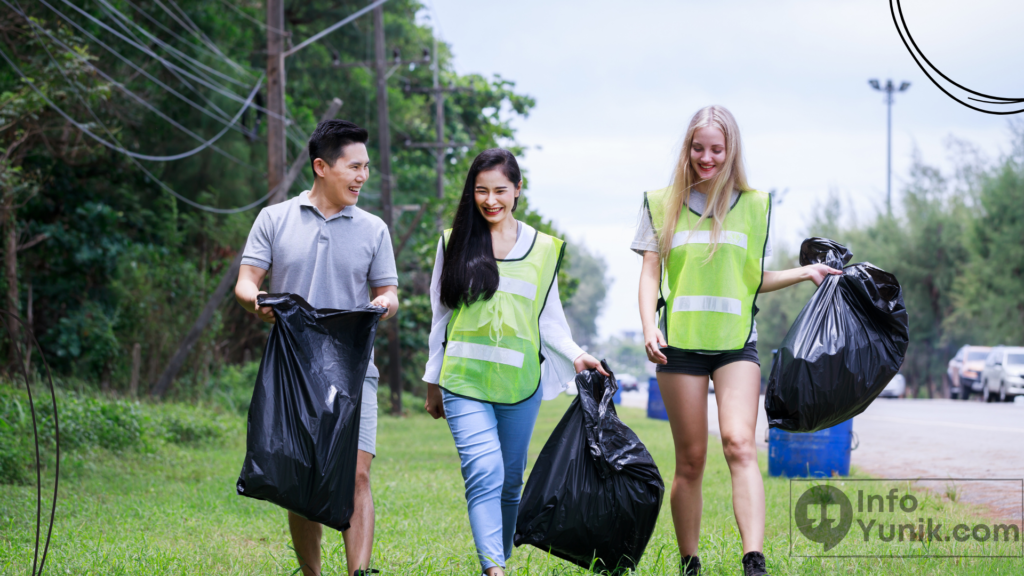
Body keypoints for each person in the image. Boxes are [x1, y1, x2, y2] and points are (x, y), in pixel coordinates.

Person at [633, 105, 841, 576]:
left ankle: (754, 561)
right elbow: (649, 274)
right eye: (698, 147)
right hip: (679, 346)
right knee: (691, 459)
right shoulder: (659, 202)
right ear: (687, 148)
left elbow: (752, 279)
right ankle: (691, 563)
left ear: (731, 152)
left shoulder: (755, 204)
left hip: (735, 346)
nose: (707, 157)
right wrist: (649, 326)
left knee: (740, 444)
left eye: (716, 149)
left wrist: (804, 272)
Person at [422, 148, 606, 576]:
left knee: (509, 481)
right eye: (481, 190)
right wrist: (433, 381)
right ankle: (494, 570)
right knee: (484, 469)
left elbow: (549, 318)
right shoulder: (454, 242)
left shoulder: (543, 249)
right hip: (463, 380)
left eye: (500, 190)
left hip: (521, 384)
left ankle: (499, 559)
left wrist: (577, 355)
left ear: (518, 189)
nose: (490, 200)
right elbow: (441, 317)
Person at [234, 119, 399, 576]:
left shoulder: (373, 229)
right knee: (304, 479)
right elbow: (246, 284)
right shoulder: (275, 219)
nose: (362, 176)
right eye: (354, 167)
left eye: (366, 167)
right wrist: (259, 302)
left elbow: (390, 292)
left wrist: (383, 303)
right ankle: (312, 574)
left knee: (356, 474)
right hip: (294, 373)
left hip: (353, 369)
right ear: (322, 166)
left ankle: (358, 573)